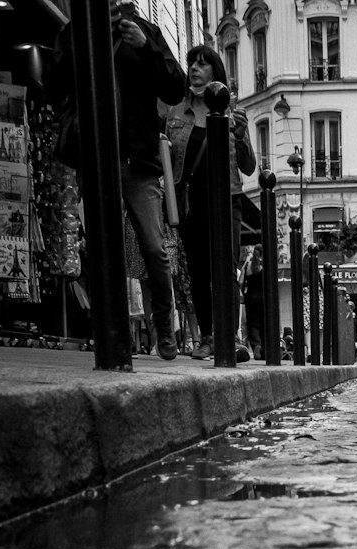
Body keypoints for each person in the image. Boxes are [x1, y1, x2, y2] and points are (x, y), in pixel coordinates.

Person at [50, 3, 186, 360]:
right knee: (101, 250)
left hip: (137, 163)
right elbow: (54, 86)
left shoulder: (142, 30)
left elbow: (175, 88)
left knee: (155, 250)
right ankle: (112, 332)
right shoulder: (73, 33)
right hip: (95, 162)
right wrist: (77, 46)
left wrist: (147, 47)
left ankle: (163, 330)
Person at [165, 46, 255, 361]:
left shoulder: (233, 113)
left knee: (227, 268)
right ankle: (206, 337)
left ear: (215, 72)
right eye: (192, 64)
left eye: (203, 64)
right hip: (191, 201)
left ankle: (229, 336)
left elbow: (248, 167)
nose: (194, 69)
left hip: (226, 198)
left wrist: (241, 134)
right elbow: (167, 158)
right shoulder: (176, 111)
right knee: (199, 271)